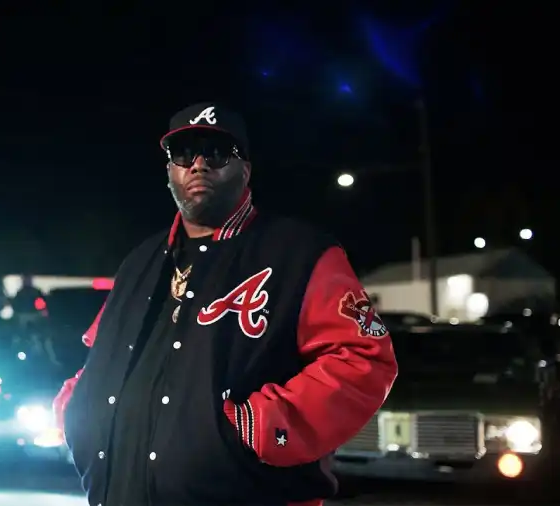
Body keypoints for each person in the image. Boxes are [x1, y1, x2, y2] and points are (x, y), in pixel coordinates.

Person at [53, 103, 398, 506]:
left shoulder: (299, 252)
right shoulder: (139, 262)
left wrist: (258, 426)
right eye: (184, 153)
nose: (198, 164)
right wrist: (74, 412)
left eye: (216, 153)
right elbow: (100, 358)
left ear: (245, 170)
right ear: (170, 170)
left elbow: (363, 358)